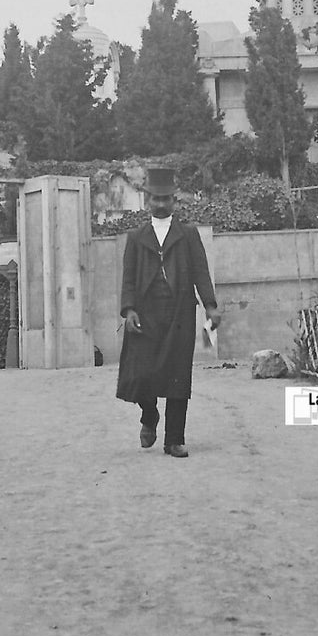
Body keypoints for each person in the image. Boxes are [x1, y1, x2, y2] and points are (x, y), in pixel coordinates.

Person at [115, 166, 221, 458]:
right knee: (140, 376)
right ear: (147, 200)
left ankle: (174, 439)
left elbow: (201, 272)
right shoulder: (136, 237)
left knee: (177, 377)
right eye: (155, 199)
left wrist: (210, 307)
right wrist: (129, 310)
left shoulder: (188, 235)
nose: (160, 205)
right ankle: (149, 416)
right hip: (145, 316)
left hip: (179, 316)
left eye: (166, 199)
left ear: (175, 201)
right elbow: (128, 278)